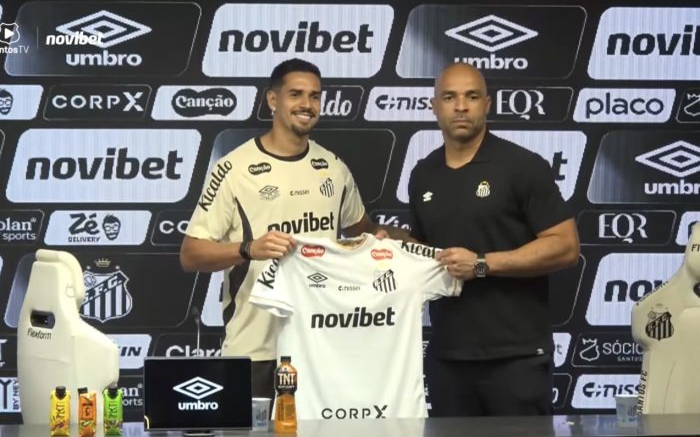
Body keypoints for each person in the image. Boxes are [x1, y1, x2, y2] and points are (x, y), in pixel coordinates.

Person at [179, 58, 394, 400]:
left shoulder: (333, 168)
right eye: (296, 94)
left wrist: (394, 243)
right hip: (255, 348)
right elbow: (191, 255)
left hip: (318, 345)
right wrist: (248, 248)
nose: (307, 104)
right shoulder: (234, 169)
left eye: (315, 96)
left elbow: (363, 233)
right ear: (273, 100)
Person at [408, 63, 580, 416]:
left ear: (487, 104)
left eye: (471, 97)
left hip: (516, 357)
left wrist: (483, 264)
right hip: (448, 358)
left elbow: (565, 246)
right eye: (449, 97)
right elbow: (424, 251)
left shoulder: (522, 166)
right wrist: (388, 242)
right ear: (434, 106)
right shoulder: (423, 174)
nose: (461, 106)